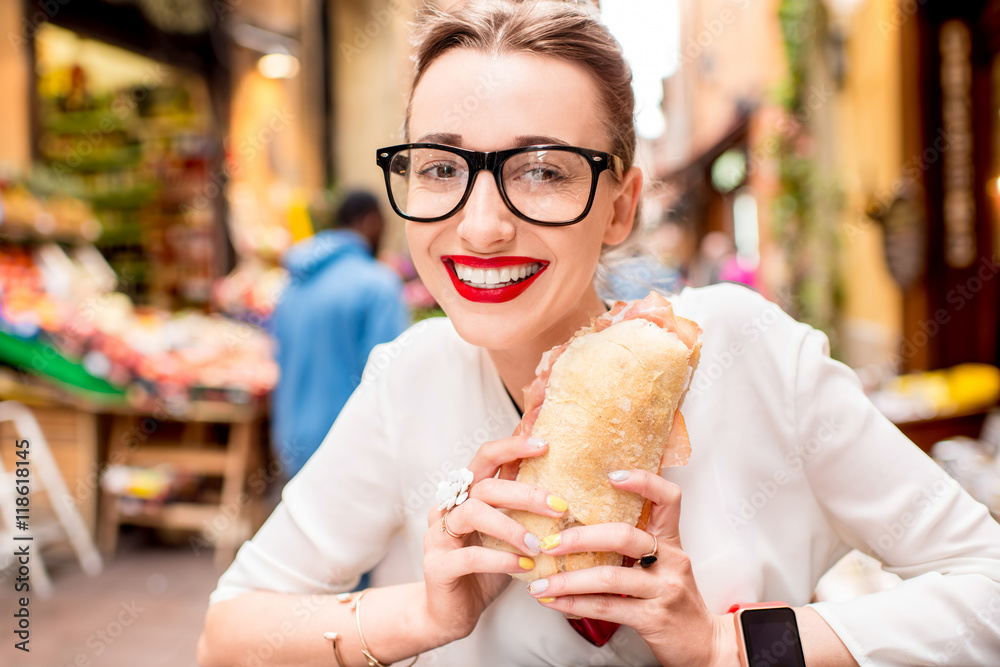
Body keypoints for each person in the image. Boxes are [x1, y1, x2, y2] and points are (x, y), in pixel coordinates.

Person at [199, 2, 1000, 666]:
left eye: (542, 170)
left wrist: (727, 643)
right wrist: (427, 614)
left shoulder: (743, 350)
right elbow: (228, 632)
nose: (480, 227)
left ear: (621, 204)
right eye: (441, 169)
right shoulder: (410, 379)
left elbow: (985, 583)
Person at [270, 190, 409, 479]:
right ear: (372, 221)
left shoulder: (292, 285)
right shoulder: (377, 285)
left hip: (292, 446)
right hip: (351, 457)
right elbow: (393, 379)